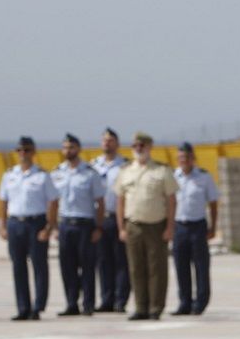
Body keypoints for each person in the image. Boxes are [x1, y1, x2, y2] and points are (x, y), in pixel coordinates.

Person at [114, 132, 176, 321]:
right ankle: (141, 307)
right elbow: (120, 202)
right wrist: (121, 228)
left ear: (150, 147)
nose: (138, 149)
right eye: (135, 146)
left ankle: (155, 307)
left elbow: (171, 201)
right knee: (136, 268)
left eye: (142, 146)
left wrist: (170, 227)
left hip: (156, 225)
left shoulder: (161, 171)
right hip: (133, 225)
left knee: (157, 268)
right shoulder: (125, 171)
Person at [0, 136, 58, 320]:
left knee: (39, 265)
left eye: (26, 150)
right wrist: (3, 226)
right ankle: (22, 307)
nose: (23, 154)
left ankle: (38, 306)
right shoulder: (9, 175)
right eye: (19, 150)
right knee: (18, 266)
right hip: (15, 222)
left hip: (36, 223)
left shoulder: (42, 175)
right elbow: (3, 201)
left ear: (33, 152)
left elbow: (53, 202)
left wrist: (48, 226)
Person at [52, 133, 105, 316]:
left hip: (85, 224)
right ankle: (71, 303)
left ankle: (88, 303)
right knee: (67, 266)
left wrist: (98, 227)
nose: (68, 151)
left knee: (87, 266)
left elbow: (100, 202)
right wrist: (53, 226)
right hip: (65, 224)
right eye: (65, 147)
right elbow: (53, 202)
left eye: (72, 147)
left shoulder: (90, 173)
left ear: (78, 149)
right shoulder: (57, 172)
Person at [171, 142, 218, 315]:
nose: (184, 160)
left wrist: (213, 226)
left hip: (198, 226)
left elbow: (213, 203)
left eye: (187, 157)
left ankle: (201, 302)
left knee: (201, 266)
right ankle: (184, 302)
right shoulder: (173, 177)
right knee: (180, 266)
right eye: (181, 157)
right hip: (179, 226)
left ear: (193, 158)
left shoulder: (204, 177)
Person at [91, 128, 130, 313]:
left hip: (118, 217)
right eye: (105, 140)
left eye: (111, 140)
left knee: (121, 261)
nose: (107, 143)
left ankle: (121, 300)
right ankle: (106, 299)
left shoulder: (125, 166)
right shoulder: (93, 166)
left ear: (117, 144)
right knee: (103, 261)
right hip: (100, 217)